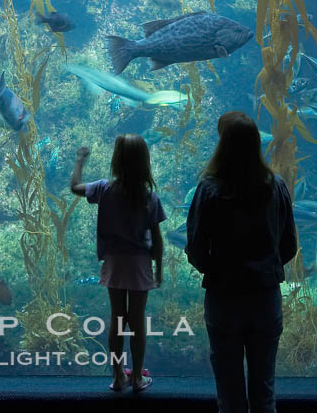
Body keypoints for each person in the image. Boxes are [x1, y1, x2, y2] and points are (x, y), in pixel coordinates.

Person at [186, 111, 298, 413]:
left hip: (224, 298)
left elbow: (195, 247)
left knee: (229, 395)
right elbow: (290, 245)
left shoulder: (209, 189)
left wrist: (218, 271)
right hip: (265, 298)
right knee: (264, 394)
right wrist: (266, 268)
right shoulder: (276, 186)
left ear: (222, 144)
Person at [70, 134, 165, 393]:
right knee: (137, 321)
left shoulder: (104, 188)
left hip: (113, 262)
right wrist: (158, 269)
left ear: (116, 160)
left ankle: (117, 376)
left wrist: (80, 160)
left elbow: (75, 187)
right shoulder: (150, 197)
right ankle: (136, 377)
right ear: (145, 162)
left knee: (117, 320)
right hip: (139, 265)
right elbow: (157, 239)